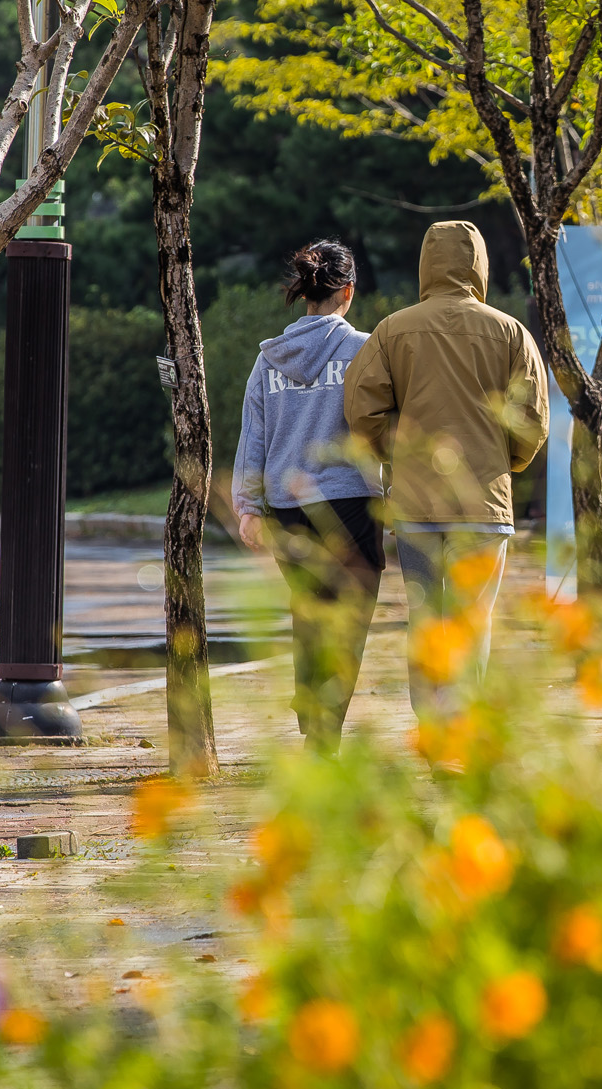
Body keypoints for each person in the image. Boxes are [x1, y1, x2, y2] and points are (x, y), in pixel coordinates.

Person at [344, 220, 548, 718]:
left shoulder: (394, 329)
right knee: (471, 619)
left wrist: (397, 456)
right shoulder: (509, 331)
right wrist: (507, 461)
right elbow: (533, 417)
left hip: (416, 506)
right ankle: (459, 729)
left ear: (425, 265)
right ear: (479, 264)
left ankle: (431, 726)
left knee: (426, 618)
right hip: (483, 502)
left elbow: (361, 409)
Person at [233, 240, 384, 749]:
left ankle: (314, 721)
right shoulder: (364, 350)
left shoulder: (268, 360)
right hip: (350, 502)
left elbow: (253, 436)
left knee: (310, 610)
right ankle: (326, 729)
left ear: (306, 293)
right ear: (348, 291)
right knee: (349, 616)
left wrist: (249, 508)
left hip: (286, 506)